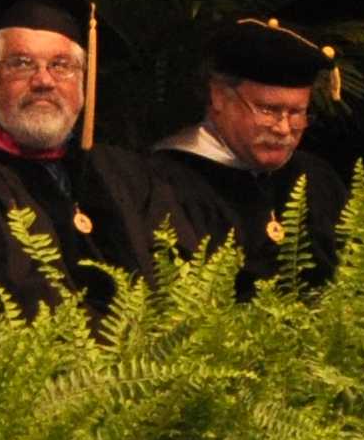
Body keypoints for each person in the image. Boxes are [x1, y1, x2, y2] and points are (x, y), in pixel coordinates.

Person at [0, 0, 184, 317]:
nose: (44, 81)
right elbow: (11, 300)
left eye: (62, 65)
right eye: (22, 64)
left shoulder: (124, 173)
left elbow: (180, 276)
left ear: (84, 82)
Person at [150, 16, 350, 294]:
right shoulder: (167, 181)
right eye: (268, 110)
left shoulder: (317, 179)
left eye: (296, 113)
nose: (283, 129)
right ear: (219, 97)